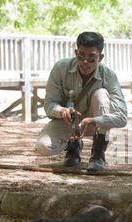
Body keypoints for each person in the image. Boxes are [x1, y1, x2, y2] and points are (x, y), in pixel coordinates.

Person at [35, 32, 127, 171]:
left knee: (101, 94)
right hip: (68, 122)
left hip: (93, 124)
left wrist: (94, 120)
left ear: (100, 57)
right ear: (76, 52)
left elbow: (122, 117)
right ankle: (73, 147)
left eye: (91, 57)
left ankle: (98, 154)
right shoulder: (61, 68)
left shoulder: (108, 75)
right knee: (43, 147)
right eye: (81, 55)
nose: (85, 62)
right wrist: (62, 111)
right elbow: (49, 105)